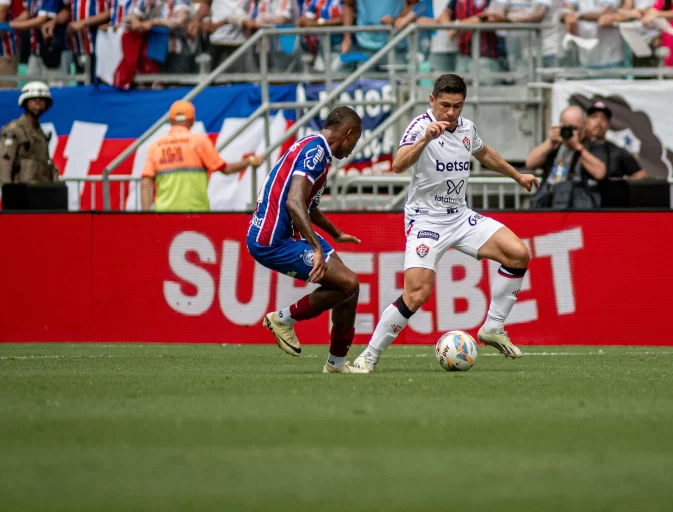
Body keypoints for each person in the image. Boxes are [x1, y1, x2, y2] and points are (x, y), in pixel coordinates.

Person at [352, 74, 539, 372]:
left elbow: (484, 153)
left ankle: (493, 327)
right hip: (427, 220)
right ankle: (368, 357)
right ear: (432, 101)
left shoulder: (467, 128)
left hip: (461, 216)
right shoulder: (419, 127)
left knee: (518, 253)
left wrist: (517, 176)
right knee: (417, 294)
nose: (451, 113)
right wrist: (426, 138)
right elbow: (398, 164)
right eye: (445, 105)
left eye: (457, 106)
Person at [248, 106, 368, 374]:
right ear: (348, 133)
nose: (352, 149)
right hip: (272, 240)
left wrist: (335, 233)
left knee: (349, 287)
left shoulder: (315, 149)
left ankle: (336, 365)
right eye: (355, 140)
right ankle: (282, 319)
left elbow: (306, 205)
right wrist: (315, 246)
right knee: (348, 282)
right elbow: (293, 202)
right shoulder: (316, 152)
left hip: (286, 233)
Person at [140, 100, 264, 211]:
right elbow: (226, 169)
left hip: (163, 214)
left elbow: (145, 183)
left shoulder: (155, 146)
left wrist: (146, 216)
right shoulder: (199, 141)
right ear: (192, 121)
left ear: (171, 120)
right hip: (196, 212)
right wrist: (250, 161)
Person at [526, 104, 607, 208]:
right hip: (550, 200)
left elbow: (600, 173)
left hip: (578, 204)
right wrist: (550, 142)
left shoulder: (592, 145)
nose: (570, 132)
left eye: (574, 128)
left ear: (583, 127)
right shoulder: (555, 144)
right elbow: (530, 163)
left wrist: (577, 147)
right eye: (566, 127)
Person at [0, 81, 59, 187]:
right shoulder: (14, 130)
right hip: (20, 194)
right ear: (25, 102)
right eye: (33, 100)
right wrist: (8, 193)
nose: (38, 103)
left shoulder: (40, 134)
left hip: (41, 193)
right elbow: (4, 164)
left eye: (41, 100)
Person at [584, 101, 648, 179]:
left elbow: (640, 174)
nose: (599, 121)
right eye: (594, 116)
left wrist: (622, 187)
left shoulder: (617, 151)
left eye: (603, 118)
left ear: (608, 124)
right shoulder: (578, 147)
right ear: (586, 122)